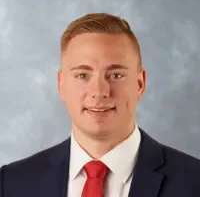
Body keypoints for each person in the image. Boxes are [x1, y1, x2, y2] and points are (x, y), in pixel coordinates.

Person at [0, 12, 200, 197]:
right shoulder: (11, 183)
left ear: (140, 84)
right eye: (82, 75)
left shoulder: (193, 182)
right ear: (61, 85)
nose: (99, 91)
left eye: (115, 75)